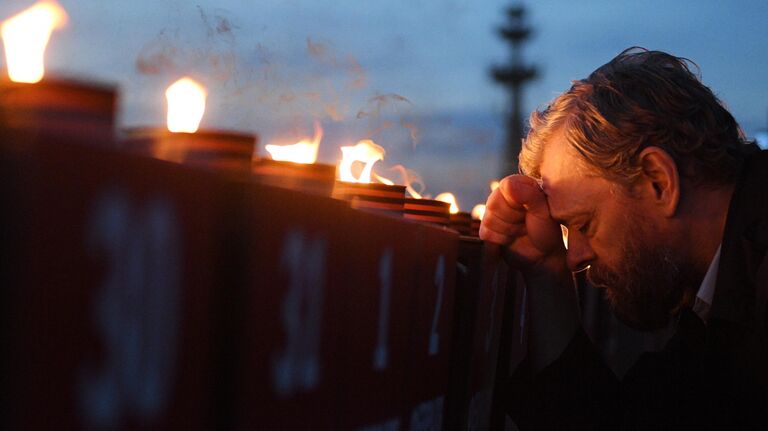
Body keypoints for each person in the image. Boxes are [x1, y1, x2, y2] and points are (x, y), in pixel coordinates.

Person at [481, 47, 768, 430]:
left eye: (585, 223)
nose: (575, 257)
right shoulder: (720, 290)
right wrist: (546, 270)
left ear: (658, 180)